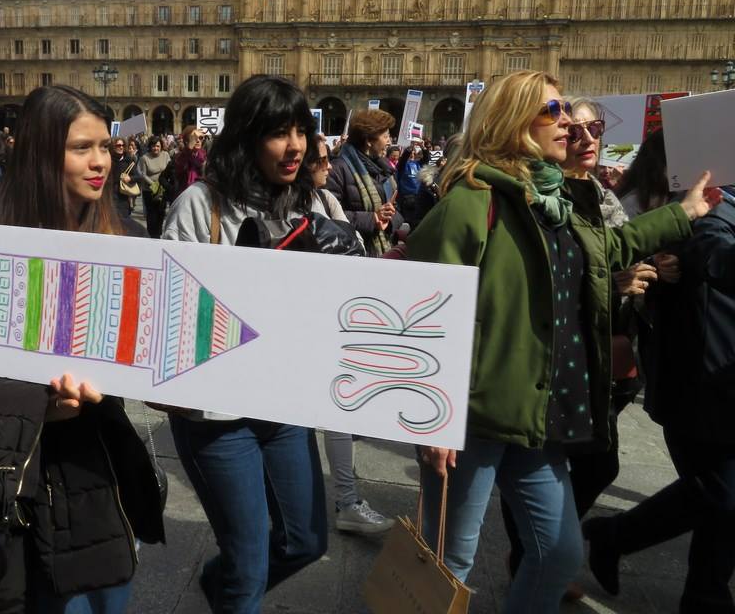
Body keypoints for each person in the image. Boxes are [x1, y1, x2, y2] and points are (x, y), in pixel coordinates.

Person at [407, 70, 714, 613]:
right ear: (512, 123)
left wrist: (685, 212)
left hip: (538, 411)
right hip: (473, 417)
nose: (568, 122)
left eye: (565, 110)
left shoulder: (553, 200)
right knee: (448, 561)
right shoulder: (473, 201)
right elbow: (424, 313)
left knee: (559, 553)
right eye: (553, 111)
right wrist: (433, 419)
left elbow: (608, 248)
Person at [0, 85, 164, 613]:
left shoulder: (130, 242)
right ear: (40, 155)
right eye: (81, 148)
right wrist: (38, 408)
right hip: (17, 487)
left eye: (104, 146)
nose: (100, 162)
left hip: (99, 475)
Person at [162, 75, 328, 613]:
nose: (295, 146)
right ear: (246, 137)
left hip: (284, 406)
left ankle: (220, 581)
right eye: (279, 133)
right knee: (250, 566)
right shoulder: (199, 205)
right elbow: (170, 311)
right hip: (218, 418)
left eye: (301, 131)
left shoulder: (311, 203)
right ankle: (235, 586)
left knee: (305, 541)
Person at [584, 185, 735, 612]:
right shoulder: (710, 206)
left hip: (719, 382)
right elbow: (715, 256)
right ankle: (704, 598)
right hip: (701, 387)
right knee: (721, 496)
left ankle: (615, 537)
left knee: (716, 494)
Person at [306, 134, 394, 534]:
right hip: (295, 327)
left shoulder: (326, 199)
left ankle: (346, 499)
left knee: (338, 411)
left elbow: (351, 244)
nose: (330, 165)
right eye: (322, 160)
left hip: (330, 318)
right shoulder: (276, 203)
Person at [324, 109, 402, 257]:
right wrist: (372, 219)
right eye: (385, 136)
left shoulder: (385, 169)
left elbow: (396, 208)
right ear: (369, 141)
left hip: (385, 250)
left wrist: (389, 219)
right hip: (355, 254)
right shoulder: (337, 170)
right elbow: (328, 215)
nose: (389, 142)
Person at [135, 136, 171, 238]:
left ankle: (158, 235)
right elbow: (142, 174)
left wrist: (166, 184)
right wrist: (154, 185)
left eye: (158, 146)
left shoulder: (166, 155)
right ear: (150, 147)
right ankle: (151, 236)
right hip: (149, 190)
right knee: (152, 216)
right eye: (153, 146)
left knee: (161, 213)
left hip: (162, 189)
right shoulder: (144, 158)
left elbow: (169, 169)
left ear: (161, 147)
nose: (156, 148)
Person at [395, 139, 429, 229]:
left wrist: (423, 147)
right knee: (407, 224)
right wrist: (411, 147)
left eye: (414, 153)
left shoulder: (419, 164)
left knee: (417, 224)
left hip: (418, 198)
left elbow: (426, 159)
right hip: (405, 199)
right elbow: (403, 159)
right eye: (411, 153)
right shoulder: (402, 165)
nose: (412, 154)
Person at [172, 125, 206, 197]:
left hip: (201, 195)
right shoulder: (179, 157)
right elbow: (180, 169)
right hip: (184, 195)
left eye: (200, 138)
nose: (198, 141)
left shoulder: (205, 157)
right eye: (194, 138)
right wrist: (189, 150)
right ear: (186, 141)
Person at [109, 136, 137, 218]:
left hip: (123, 197)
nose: (121, 147)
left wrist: (130, 178)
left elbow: (138, 176)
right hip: (110, 196)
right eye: (118, 145)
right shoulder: (108, 160)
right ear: (113, 147)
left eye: (123, 145)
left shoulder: (129, 160)